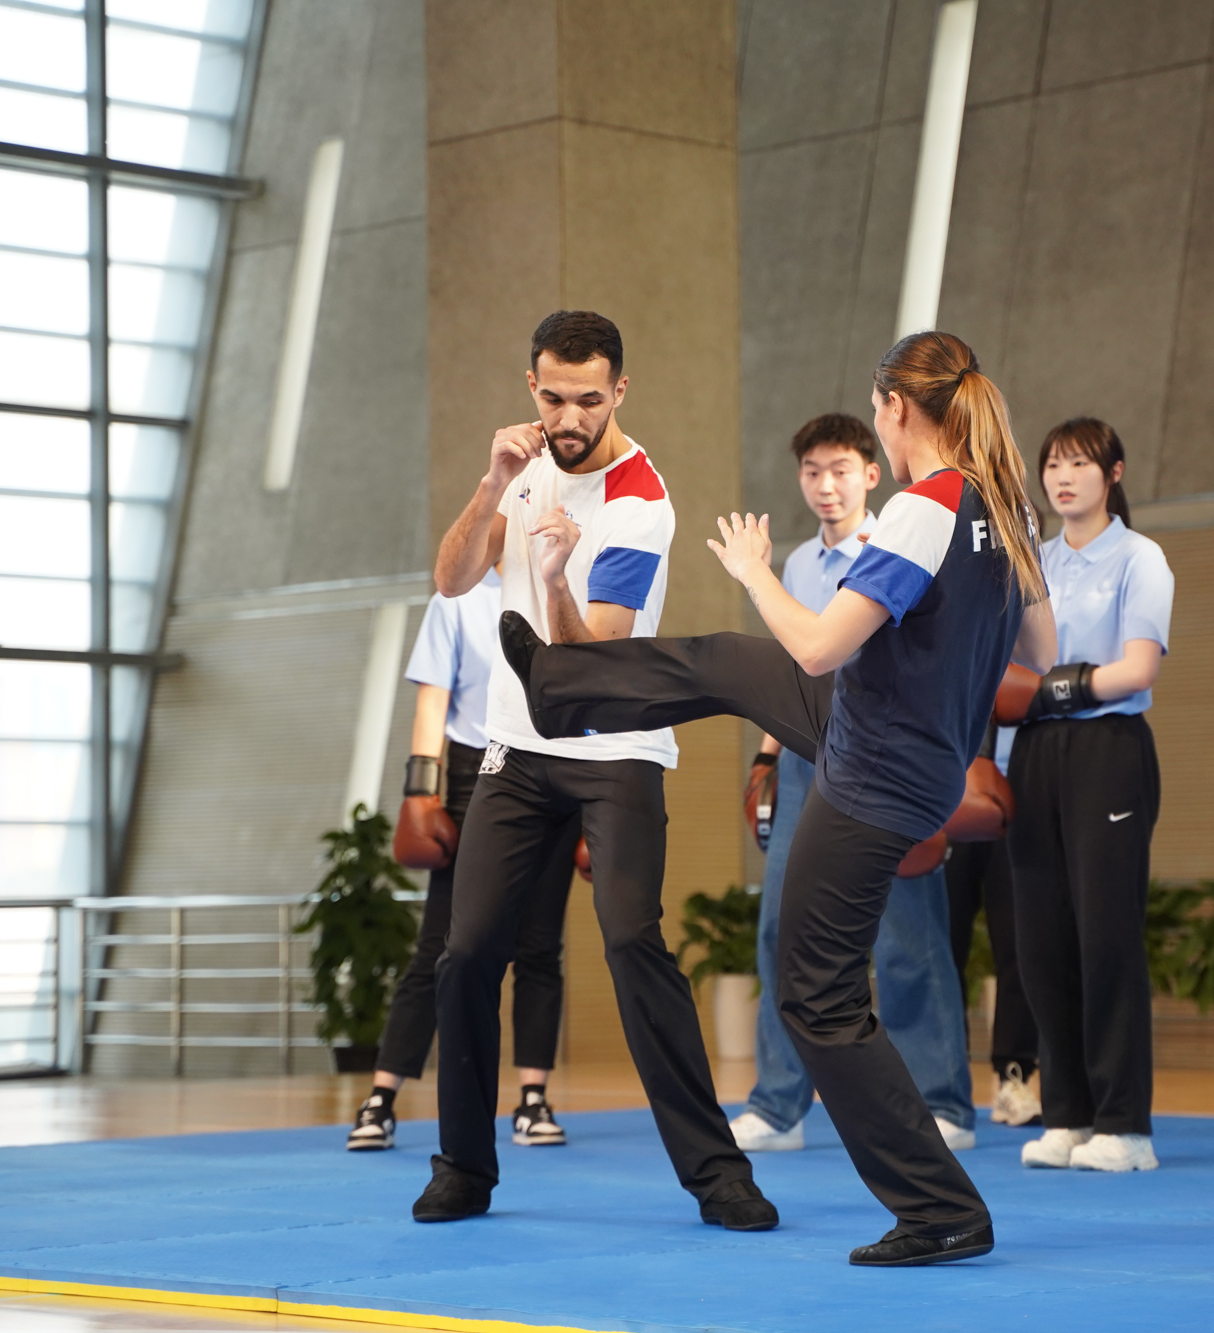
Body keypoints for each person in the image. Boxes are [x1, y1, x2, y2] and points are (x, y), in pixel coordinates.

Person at [500, 330, 1057, 1266]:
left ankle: (940, 1207)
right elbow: (1041, 647)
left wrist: (754, 568)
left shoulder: (923, 509)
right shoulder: (1004, 506)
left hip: (874, 767)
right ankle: (561, 688)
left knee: (815, 995)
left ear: (895, 410)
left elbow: (818, 645)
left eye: (876, 412)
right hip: (895, 734)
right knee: (723, 661)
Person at [412, 310, 776, 1232]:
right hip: (517, 749)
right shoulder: (524, 463)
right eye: (552, 397)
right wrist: (492, 486)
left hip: (616, 748)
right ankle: (464, 1165)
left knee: (630, 944)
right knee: (465, 952)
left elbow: (599, 658)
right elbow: (451, 581)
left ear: (619, 391)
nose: (567, 417)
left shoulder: (640, 498)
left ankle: (718, 1174)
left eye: (586, 399)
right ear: (531, 387)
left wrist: (555, 580)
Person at [729, 413, 977, 1154]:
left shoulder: (904, 539)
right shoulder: (799, 562)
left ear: (871, 473)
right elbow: (790, 667)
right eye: (812, 471)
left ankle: (942, 1102)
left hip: (882, 758)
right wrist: (766, 758)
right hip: (806, 755)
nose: (826, 484)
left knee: (906, 932)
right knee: (781, 926)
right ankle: (779, 1105)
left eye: (840, 469)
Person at [347, 572, 579, 1153]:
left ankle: (532, 1098)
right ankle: (381, 1098)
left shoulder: (564, 584)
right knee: (441, 943)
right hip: (478, 769)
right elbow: (433, 699)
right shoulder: (457, 599)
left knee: (540, 944)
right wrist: (419, 793)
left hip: (558, 765)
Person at [1002, 418, 1173, 1174]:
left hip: (1108, 748)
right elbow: (1001, 669)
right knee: (1039, 940)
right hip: (1034, 751)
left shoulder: (1140, 558)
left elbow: (1137, 669)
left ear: (1114, 473)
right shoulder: (1031, 562)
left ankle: (1125, 1124)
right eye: (1053, 465)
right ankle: (1068, 1113)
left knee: (1106, 936)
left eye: (1079, 463)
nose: (1063, 477)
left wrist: (1053, 688)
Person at [944, 720, 1041, 1127]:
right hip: (946, 790)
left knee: (1020, 945)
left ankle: (1013, 1075)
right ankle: (942, 1081)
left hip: (1016, 790)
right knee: (942, 948)